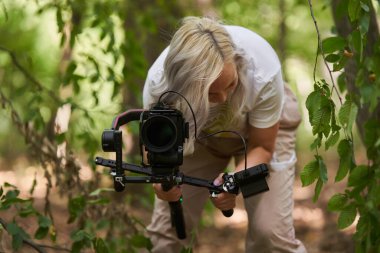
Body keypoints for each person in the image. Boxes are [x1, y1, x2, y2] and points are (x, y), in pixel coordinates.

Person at [142, 16, 306, 253]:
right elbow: (156, 152)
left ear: (236, 62)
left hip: (261, 136)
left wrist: (232, 182)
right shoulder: (160, 86)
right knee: (168, 233)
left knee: (269, 234)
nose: (223, 99)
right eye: (210, 93)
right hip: (197, 139)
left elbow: (263, 147)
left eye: (230, 85)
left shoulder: (262, 71)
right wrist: (161, 181)